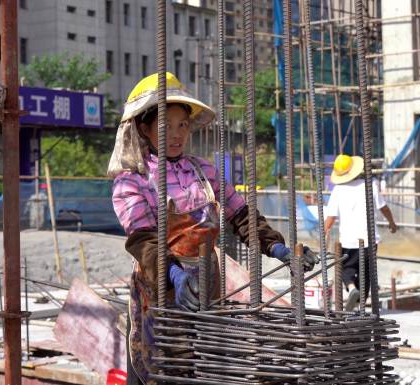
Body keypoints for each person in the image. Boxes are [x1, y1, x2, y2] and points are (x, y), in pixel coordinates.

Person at [108, 72, 318, 384]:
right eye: (167, 126)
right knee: (164, 368)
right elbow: (142, 240)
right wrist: (175, 275)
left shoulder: (203, 171)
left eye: (183, 125)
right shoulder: (133, 180)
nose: (178, 134)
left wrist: (277, 248)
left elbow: (240, 215)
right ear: (144, 127)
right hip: (160, 288)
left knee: (206, 363)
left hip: (209, 283)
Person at [324, 154, 397, 311]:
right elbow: (383, 207)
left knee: (344, 267)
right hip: (369, 239)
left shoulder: (338, 190)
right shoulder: (370, 185)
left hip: (348, 240)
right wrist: (391, 222)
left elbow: (330, 218)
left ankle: (351, 288)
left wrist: (324, 233)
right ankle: (361, 305)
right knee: (367, 272)